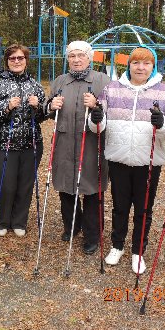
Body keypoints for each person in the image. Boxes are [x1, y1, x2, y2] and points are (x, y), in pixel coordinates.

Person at [97, 46, 165, 273]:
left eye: (146, 63)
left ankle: (138, 251)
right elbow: (98, 123)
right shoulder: (112, 89)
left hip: (149, 160)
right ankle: (117, 245)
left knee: (144, 208)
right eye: (136, 63)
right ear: (129, 65)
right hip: (119, 157)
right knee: (120, 205)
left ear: (153, 67)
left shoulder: (164, 92)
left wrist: (162, 123)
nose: (141, 67)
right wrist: (95, 118)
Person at [45, 41, 110, 255]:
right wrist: (50, 106)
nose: (76, 59)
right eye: (72, 56)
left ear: (89, 58)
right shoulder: (60, 81)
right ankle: (72, 226)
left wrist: (96, 106)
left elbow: (111, 113)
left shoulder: (103, 81)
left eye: (81, 55)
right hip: (64, 143)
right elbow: (48, 108)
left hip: (91, 143)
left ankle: (93, 235)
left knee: (91, 189)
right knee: (66, 188)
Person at [0, 44, 45, 237]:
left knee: (25, 184)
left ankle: (19, 221)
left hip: (30, 143)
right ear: (7, 61)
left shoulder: (34, 84)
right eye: (12, 58)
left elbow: (44, 114)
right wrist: (6, 107)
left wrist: (39, 106)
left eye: (20, 58)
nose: (17, 61)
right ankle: (2, 220)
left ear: (26, 60)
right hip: (3, 144)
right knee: (5, 184)